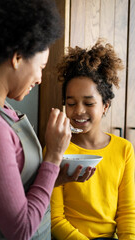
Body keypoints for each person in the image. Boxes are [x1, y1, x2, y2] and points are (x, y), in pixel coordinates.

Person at [0, 0, 73, 239]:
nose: (40, 78)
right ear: (17, 57)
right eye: (41, 67)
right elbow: (20, 230)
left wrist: (53, 178)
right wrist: (53, 156)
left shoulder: (1, 110)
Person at [51, 40, 135, 240]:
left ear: (105, 106)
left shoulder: (124, 149)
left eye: (88, 103)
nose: (78, 110)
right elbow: (55, 219)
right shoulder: (56, 148)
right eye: (71, 103)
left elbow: (128, 214)